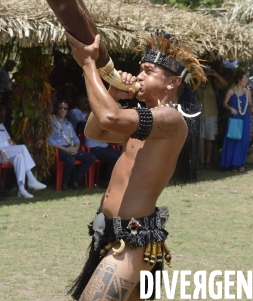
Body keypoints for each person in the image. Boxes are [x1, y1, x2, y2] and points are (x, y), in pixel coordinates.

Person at [64, 29, 203, 300]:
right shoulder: (147, 120)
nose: (138, 76)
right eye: (140, 70)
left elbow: (110, 119)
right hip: (113, 236)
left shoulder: (171, 121)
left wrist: (89, 64)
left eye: (148, 71)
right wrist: (114, 91)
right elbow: (96, 131)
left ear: (173, 82)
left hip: (132, 241)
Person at [0, 102, 46, 199]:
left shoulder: (0, 126)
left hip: (8, 152)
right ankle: (31, 179)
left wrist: (16, 148)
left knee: (20, 156)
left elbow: (10, 142)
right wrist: (1, 152)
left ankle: (22, 189)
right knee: (22, 148)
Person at [68, 94, 121, 186]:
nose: (87, 103)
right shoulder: (78, 113)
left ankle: (117, 180)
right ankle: (107, 181)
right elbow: (83, 120)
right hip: (93, 147)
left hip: (104, 146)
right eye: (85, 102)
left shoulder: (92, 115)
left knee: (122, 156)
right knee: (115, 158)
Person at [48, 100, 96, 191]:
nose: (63, 110)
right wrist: (65, 149)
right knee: (71, 159)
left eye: (65, 108)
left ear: (67, 111)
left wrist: (76, 148)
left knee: (91, 157)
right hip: (59, 148)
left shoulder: (68, 124)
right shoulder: (51, 122)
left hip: (71, 147)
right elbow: (50, 139)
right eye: (60, 108)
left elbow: (75, 139)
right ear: (56, 109)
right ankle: (63, 182)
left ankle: (74, 180)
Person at [220, 71, 253, 172]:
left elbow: (250, 103)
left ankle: (240, 164)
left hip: (245, 117)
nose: (246, 81)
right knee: (233, 138)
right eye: (245, 79)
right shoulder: (231, 91)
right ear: (239, 80)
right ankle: (231, 164)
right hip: (234, 117)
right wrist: (230, 108)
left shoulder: (247, 91)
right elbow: (224, 103)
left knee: (243, 140)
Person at [195, 65, 228, 169]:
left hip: (212, 114)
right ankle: (202, 161)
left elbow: (225, 84)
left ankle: (208, 161)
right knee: (201, 139)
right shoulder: (197, 82)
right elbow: (192, 89)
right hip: (200, 114)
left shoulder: (214, 83)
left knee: (210, 138)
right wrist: (201, 78)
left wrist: (215, 74)